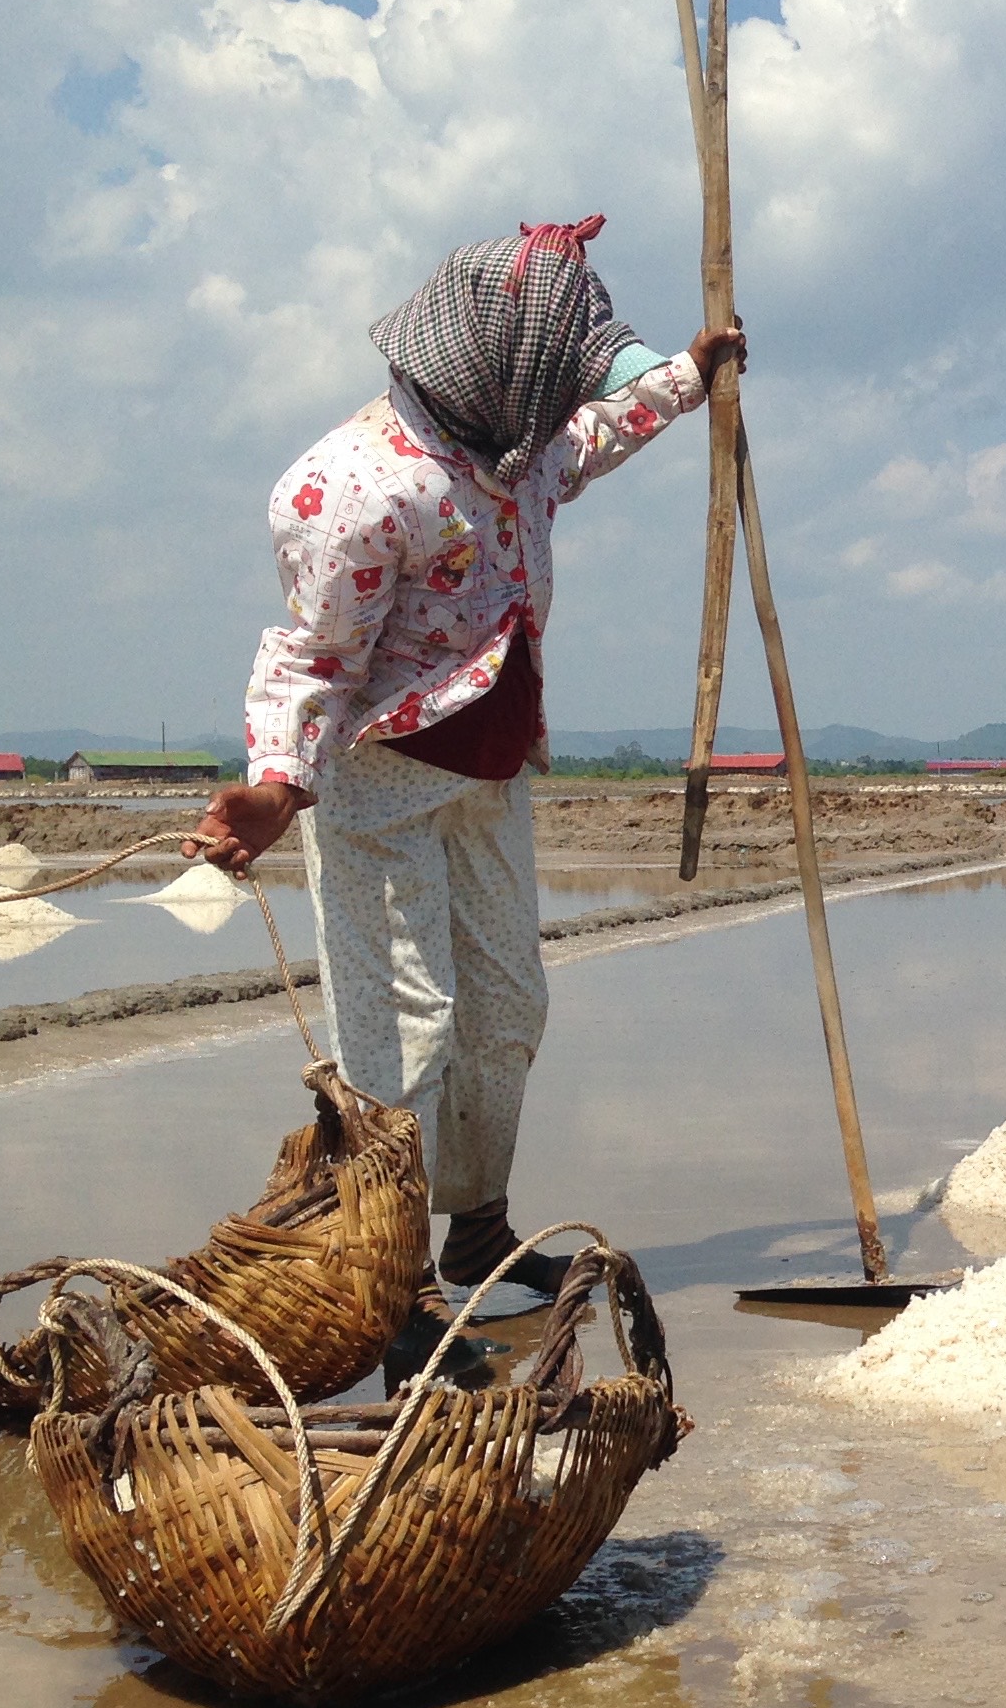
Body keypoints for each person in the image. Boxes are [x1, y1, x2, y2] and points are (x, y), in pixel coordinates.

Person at [188, 217, 744, 1333]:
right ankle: (390, 1281)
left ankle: (479, 1225)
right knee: (409, 1028)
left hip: (489, 766)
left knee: (504, 1009)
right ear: (486, 369)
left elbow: (596, 435)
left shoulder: (520, 445)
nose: (557, 418)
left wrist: (689, 375)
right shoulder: (351, 489)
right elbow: (313, 658)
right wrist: (272, 785)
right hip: (380, 780)